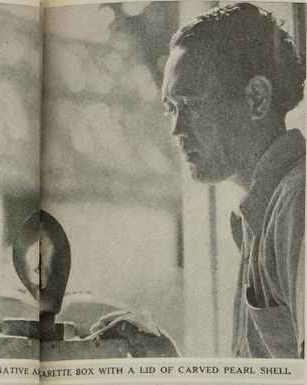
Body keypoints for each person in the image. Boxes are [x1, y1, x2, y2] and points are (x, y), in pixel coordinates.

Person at [101, 2, 305, 358]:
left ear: (256, 99)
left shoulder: (297, 202)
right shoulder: (259, 213)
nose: (177, 129)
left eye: (191, 104)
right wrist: (168, 364)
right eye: (171, 108)